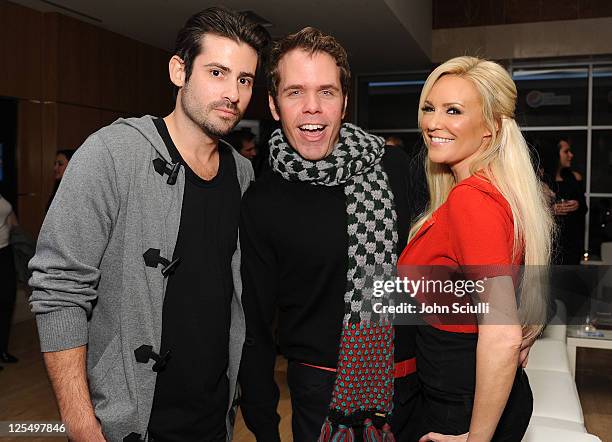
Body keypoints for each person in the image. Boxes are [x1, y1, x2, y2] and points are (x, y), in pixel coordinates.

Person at [28, 8, 268, 441]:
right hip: (129, 426)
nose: (232, 92)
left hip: (214, 423)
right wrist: (81, 424)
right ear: (180, 70)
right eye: (217, 72)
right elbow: (58, 288)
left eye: (245, 79)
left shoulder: (243, 174)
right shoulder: (111, 154)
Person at [238, 27, 420, 442]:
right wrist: (264, 423)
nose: (312, 109)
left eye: (326, 92)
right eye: (295, 92)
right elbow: (256, 326)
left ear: (344, 101)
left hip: (416, 386)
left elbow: (440, 272)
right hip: (319, 400)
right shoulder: (262, 201)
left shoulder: (396, 168)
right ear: (273, 103)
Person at [398, 56, 553, 441]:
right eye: (430, 108)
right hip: (468, 398)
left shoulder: (472, 199)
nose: (434, 123)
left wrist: (475, 439)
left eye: (454, 111)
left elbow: (502, 335)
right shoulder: (493, 191)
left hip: (464, 411)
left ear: (491, 127)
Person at [541, 138, 587, 264]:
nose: (570, 155)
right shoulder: (542, 180)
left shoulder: (574, 177)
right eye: (566, 152)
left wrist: (578, 204)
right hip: (550, 246)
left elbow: (584, 208)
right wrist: (550, 210)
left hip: (572, 244)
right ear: (555, 154)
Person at [0, 193, 19, 368]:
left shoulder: (3, 193)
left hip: (5, 253)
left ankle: (2, 350)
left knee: (6, 302)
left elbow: (12, 221)